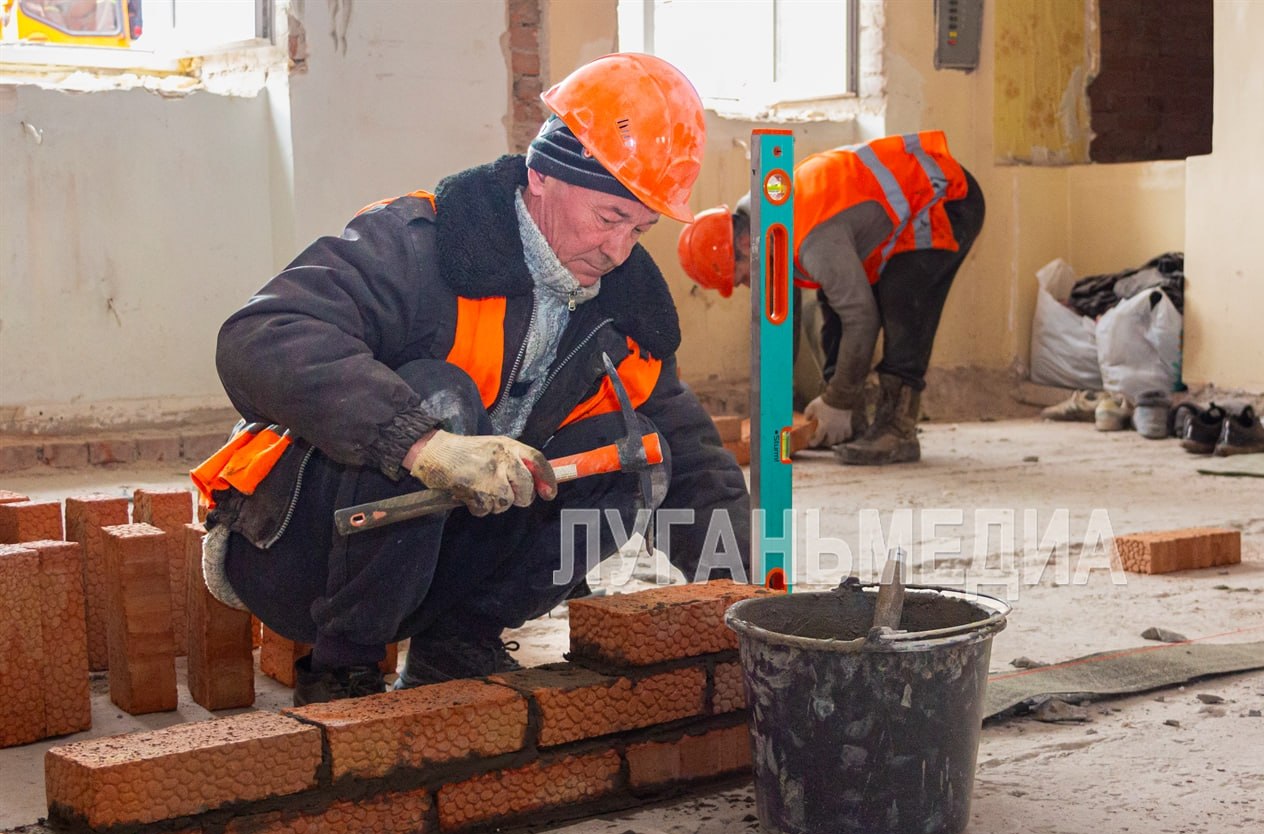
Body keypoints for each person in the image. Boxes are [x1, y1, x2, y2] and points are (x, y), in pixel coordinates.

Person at [197, 53, 750, 706]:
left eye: (640, 228)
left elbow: (692, 465)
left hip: (445, 563)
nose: (618, 249)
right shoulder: (420, 245)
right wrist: (424, 445)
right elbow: (259, 337)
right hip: (298, 552)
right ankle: (343, 671)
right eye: (607, 218)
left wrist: (752, 609)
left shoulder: (625, 313)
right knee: (442, 399)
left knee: (637, 448)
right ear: (543, 177)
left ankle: (456, 644)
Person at [678, 131, 985, 465]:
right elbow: (783, 317)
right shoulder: (768, 218)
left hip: (944, 197)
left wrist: (838, 399)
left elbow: (862, 320)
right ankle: (852, 421)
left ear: (740, 247)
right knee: (834, 303)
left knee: (901, 295)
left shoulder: (809, 237)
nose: (746, 286)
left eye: (739, 279)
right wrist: (777, 404)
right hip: (904, 210)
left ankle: (897, 428)